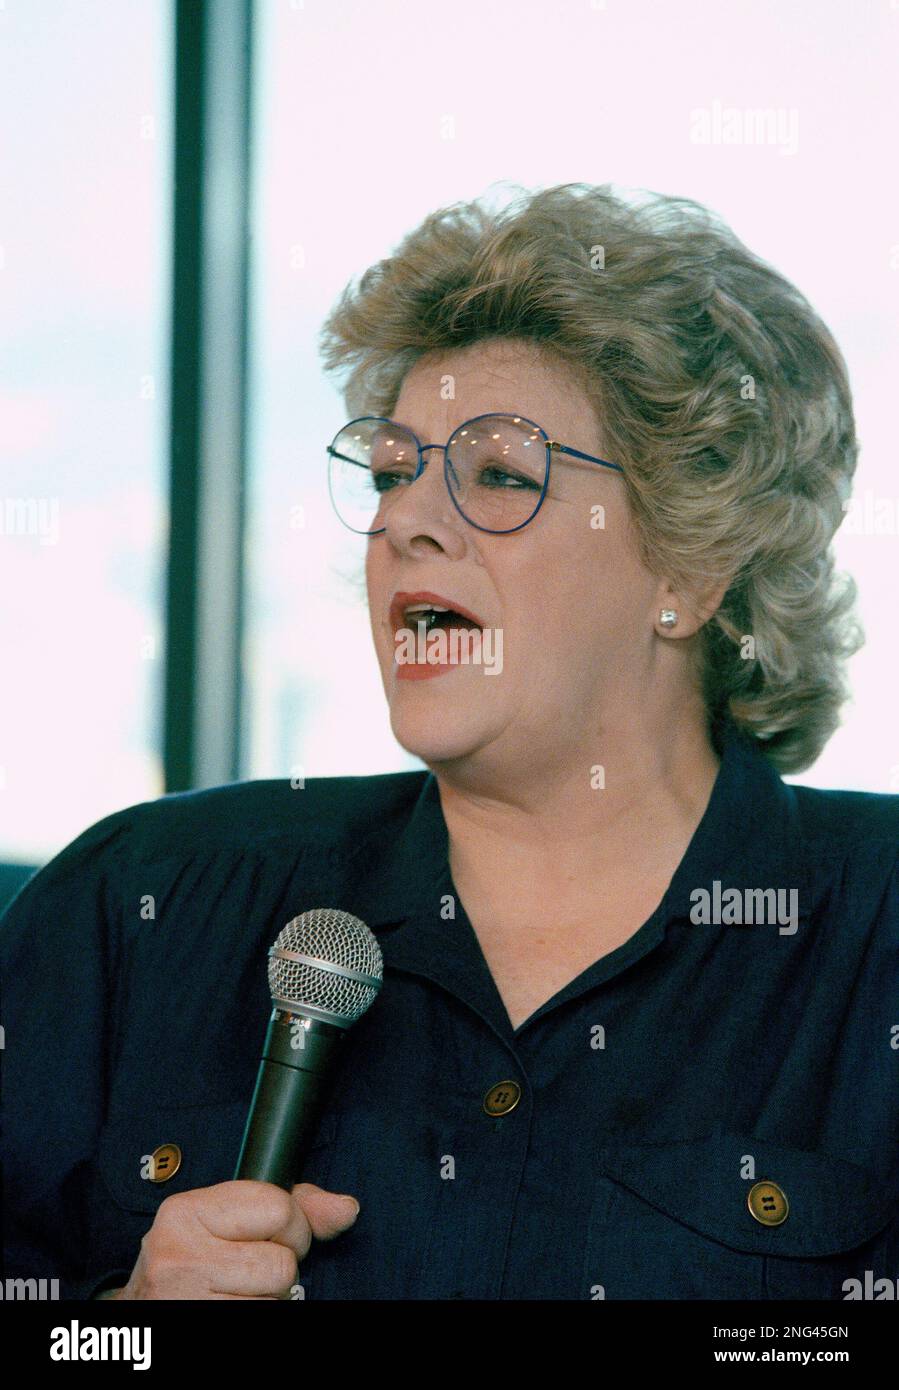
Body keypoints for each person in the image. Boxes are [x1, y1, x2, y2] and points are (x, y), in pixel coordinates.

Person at [2, 182, 897, 1301]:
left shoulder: (873, 940)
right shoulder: (136, 908)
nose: (402, 521)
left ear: (689, 567)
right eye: (390, 470)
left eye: (498, 475)